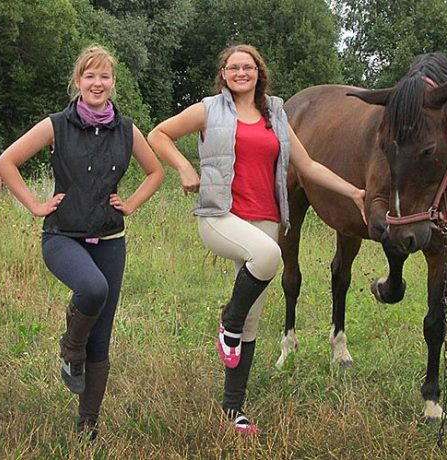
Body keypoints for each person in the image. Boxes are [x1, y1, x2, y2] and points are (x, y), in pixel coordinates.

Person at [147, 44, 365, 436]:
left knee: (252, 323)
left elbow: (309, 165)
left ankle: (234, 411)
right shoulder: (209, 109)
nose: (241, 72)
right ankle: (227, 320)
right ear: (224, 73)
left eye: (247, 67)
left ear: (259, 72)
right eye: (233, 67)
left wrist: (354, 193)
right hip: (220, 216)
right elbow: (158, 134)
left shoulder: (276, 114)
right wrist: (182, 167)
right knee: (268, 259)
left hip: (266, 217)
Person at [0, 44, 164, 440]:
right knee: (92, 288)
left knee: (102, 337)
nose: (97, 83)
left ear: (113, 83)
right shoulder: (56, 124)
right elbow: (6, 162)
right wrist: (36, 206)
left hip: (110, 238)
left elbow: (155, 171)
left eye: (104, 76)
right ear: (78, 82)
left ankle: (88, 425)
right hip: (62, 236)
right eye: (90, 75)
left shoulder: (127, 128)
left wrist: (132, 203)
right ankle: (71, 346)